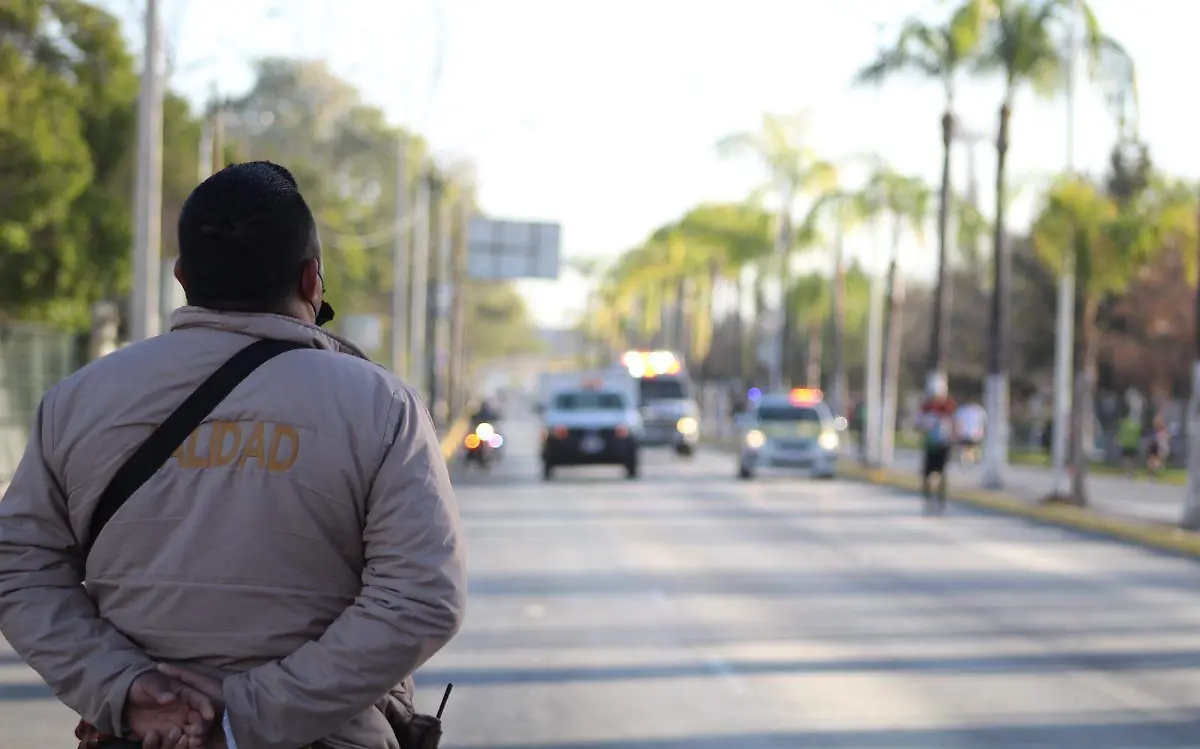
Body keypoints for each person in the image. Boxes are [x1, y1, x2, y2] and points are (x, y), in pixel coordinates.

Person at [0, 162, 467, 749]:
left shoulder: (78, 399)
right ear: (312, 280)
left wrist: (125, 688)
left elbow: (18, 567)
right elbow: (421, 598)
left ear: (181, 276)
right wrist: (242, 716)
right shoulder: (381, 406)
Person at [917, 379, 957, 514]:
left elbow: (954, 425)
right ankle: (927, 498)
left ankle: (941, 499)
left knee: (942, 472)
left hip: (944, 445)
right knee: (927, 474)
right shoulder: (925, 409)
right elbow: (919, 425)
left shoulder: (949, 408)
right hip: (930, 445)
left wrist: (953, 437)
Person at [954, 398, 986, 465]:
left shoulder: (979, 410)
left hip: (974, 433)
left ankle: (974, 459)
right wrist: (958, 431)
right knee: (966, 447)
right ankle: (967, 459)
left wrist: (980, 432)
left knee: (974, 447)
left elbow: (982, 422)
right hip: (965, 433)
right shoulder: (962, 410)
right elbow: (958, 422)